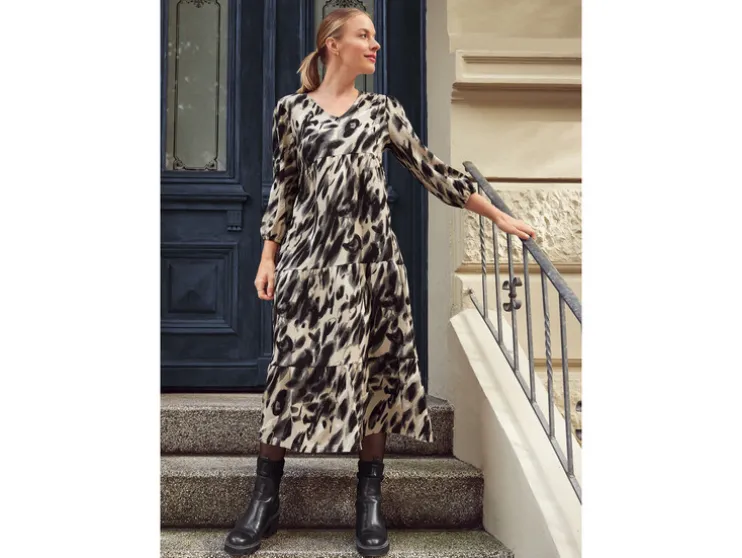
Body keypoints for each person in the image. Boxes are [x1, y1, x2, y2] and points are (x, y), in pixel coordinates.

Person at [224, 7, 536, 558]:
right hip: (309, 264)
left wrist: (498, 215)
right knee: (289, 372)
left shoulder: (381, 111)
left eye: (375, 35)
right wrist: (267, 257)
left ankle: (369, 502)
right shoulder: (291, 110)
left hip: (373, 267)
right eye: (364, 35)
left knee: (375, 374)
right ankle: (264, 499)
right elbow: (284, 187)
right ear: (333, 43)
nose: (376, 44)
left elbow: (432, 170)